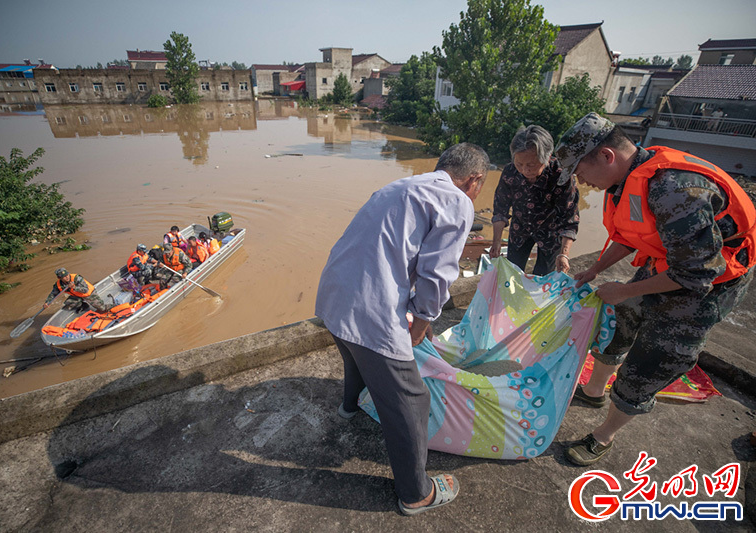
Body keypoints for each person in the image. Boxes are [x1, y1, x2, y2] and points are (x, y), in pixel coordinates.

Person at [554, 112, 755, 466]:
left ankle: (604, 436)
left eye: (580, 171)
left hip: (710, 282)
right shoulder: (628, 179)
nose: (581, 182)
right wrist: (596, 270)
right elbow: (630, 235)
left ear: (605, 155)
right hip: (669, 262)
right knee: (619, 319)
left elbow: (696, 275)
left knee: (652, 359)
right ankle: (593, 391)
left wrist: (625, 290)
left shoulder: (674, 188)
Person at [316, 142, 491, 515]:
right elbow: (438, 273)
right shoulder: (457, 201)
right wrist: (421, 322)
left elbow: (387, 249)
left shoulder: (398, 186)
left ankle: (350, 407)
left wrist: (415, 314)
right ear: (474, 179)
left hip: (333, 293)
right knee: (412, 401)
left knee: (354, 355)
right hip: (369, 307)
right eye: (479, 186)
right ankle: (416, 494)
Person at [489, 125, 579, 275]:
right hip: (520, 230)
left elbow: (569, 218)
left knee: (543, 276)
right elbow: (501, 208)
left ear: (547, 158)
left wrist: (564, 254)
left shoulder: (561, 175)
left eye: (531, 165)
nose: (525, 170)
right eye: (519, 164)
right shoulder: (510, 172)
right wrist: (496, 242)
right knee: (512, 273)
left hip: (550, 233)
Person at [44, 268, 110, 313]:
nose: (67, 277)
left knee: (102, 309)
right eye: (64, 277)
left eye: (67, 275)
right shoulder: (58, 285)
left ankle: (114, 306)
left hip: (89, 294)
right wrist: (47, 302)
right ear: (59, 278)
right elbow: (53, 294)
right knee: (69, 303)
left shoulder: (77, 278)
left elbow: (85, 290)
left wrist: (74, 287)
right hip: (77, 295)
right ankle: (84, 306)